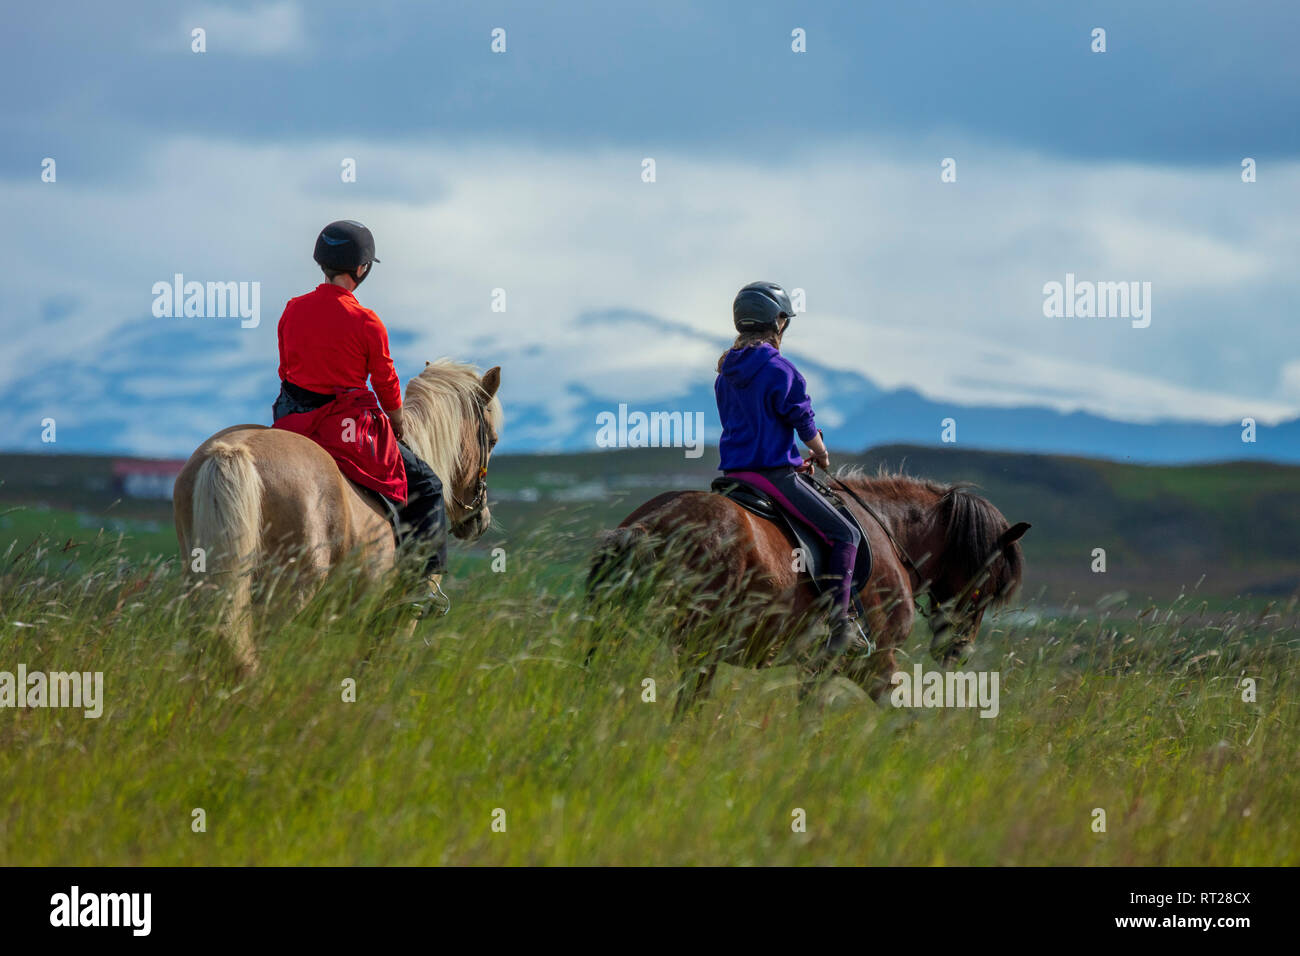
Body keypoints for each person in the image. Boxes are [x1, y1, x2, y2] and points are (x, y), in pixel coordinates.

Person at [271, 219, 448, 592]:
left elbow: (286, 370)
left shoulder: (291, 310)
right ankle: (421, 590)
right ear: (362, 269)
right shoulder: (368, 322)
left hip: (294, 423)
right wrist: (397, 421)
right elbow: (386, 383)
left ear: (322, 262)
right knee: (429, 486)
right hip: (346, 431)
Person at [714, 281, 863, 655]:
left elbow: (756, 424)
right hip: (772, 477)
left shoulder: (724, 373)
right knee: (845, 534)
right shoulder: (780, 369)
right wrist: (822, 454)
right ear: (777, 323)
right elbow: (802, 420)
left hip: (734, 476)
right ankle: (839, 624)